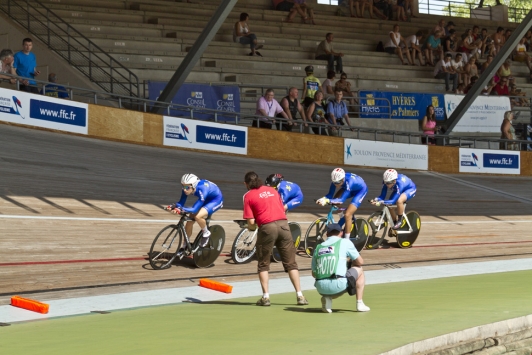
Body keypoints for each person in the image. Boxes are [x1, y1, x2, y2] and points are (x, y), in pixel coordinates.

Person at [242, 171, 308, 307]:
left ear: (246, 184)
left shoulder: (248, 196)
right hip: (284, 226)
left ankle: (266, 297)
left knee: (263, 264)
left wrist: (252, 228)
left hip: (267, 228)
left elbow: (251, 222)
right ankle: (300, 295)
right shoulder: (272, 190)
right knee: (291, 264)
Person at [311, 223, 370, 313]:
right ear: (341, 233)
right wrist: (348, 261)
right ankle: (359, 303)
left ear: (327, 234)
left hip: (320, 288)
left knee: (330, 281)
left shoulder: (318, 247)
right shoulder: (345, 242)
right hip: (338, 285)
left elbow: (313, 274)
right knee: (359, 269)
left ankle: (327, 298)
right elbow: (360, 262)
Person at [165, 174, 223, 248]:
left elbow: (195, 209)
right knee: (189, 222)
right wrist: (173, 206)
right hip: (205, 198)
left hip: (215, 200)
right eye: (182, 186)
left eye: (187, 187)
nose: (184, 189)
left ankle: (206, 233)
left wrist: (181, 209)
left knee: (198, 216)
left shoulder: (202, 188)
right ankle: (185, 245)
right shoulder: (187, 187)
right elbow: (181, 203)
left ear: (194, 185)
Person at [316, 168, 368, 240]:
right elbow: (330, 195)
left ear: (343, 179)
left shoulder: (349, 182)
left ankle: (347, 240)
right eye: (334, 182)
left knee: (347, 214)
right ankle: (342, 218)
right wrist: (322, 199)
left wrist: (327, 201)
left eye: (338, 183)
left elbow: (341, 200)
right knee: (335, 200)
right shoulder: (336, 181)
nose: (336, 184)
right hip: (347, 188)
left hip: (360, 191)